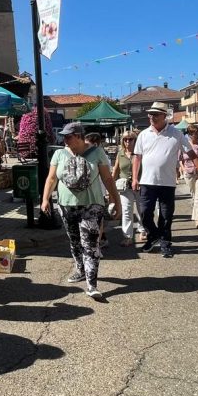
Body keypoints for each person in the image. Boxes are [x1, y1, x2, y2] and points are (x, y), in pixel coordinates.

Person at [42, 122, 121, 299]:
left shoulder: (96, 152)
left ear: (78, 136)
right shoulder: (59, 154)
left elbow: (108, 179)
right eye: (63, 137)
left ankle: (92, 285)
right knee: (75, 241)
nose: (65, 140)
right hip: (66, 205)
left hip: (91, 205)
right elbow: (52, 178)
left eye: (68, 137)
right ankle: (80, 269)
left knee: (90, 244)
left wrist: (117, 201)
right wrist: (45, 199)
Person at [132, 102, 198, 258]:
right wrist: (135, 178)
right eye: (150, 114)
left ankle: (165, 244)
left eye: (156, 114)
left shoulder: (176, 133)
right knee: (145, 213)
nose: (152, 117)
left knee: (166, 216)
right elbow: (137, 157)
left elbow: (190, 154)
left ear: (165, 116)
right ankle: (154, 235)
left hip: (167, 182)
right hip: (147, 181)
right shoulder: (143, 134)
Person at [111, 130, 144, 246]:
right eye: (125, 139)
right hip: (124, 187)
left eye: (130, 139)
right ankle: (128, 237)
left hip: (140, 186)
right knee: (126, 212)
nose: (127, 142)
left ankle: (143, 230)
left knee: (142, 210)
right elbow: (115, 170)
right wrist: (110, 187)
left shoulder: (140, 153)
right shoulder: (120, 154)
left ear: (135, 140)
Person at [181, 124, 198, 228]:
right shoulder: (184, 145)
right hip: (189, 173)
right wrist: (183, 169)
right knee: (194, 195)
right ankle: (197, 213)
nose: (195, 135)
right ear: (189, 135)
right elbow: (180, 159)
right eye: (193, 134)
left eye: (197, 133)